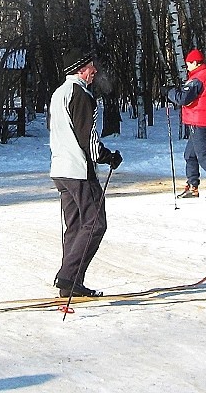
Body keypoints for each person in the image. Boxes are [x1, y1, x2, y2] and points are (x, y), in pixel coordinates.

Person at [49, 49, 123, 298]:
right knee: (95, 223)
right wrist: (106, 156)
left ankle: (71, 282)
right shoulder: (81, 95)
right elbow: (86, 137)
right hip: (78, 170)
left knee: (75, 225)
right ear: (81, 69)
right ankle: (68, 276)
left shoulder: (59, 93)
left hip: (60, 169)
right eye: (91, 66)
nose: (95, 71)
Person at [161, 49, 206, 200]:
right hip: (205, 119)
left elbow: (183, 99)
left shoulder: (199, 78)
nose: (187, 67)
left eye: (188, 64)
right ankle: (193, 186)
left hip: (198, 120)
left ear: (195, 62)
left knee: (204, 156)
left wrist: (169, 92)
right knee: (190, 155)